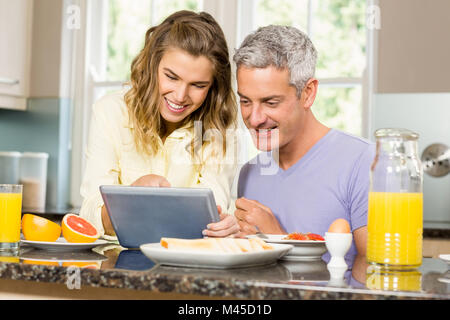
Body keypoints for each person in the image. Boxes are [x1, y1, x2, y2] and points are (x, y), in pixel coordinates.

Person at [79, 10, 240, 239]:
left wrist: (224, 225)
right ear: (153, 64)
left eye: (198, 85)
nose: (180, 95)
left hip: (190, 261)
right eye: (171, 77)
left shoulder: (219, 127)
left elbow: (211, 212)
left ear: (213, 86)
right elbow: (89, 217)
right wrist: (132, 197)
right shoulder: (110, 111)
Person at [231, 25, 375, 257]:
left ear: (308, 93)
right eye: (246, 101)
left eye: (270, 102)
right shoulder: (249, 173)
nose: (254, 119)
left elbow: (375, 279)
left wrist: (278, 239)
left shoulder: (364, 162)